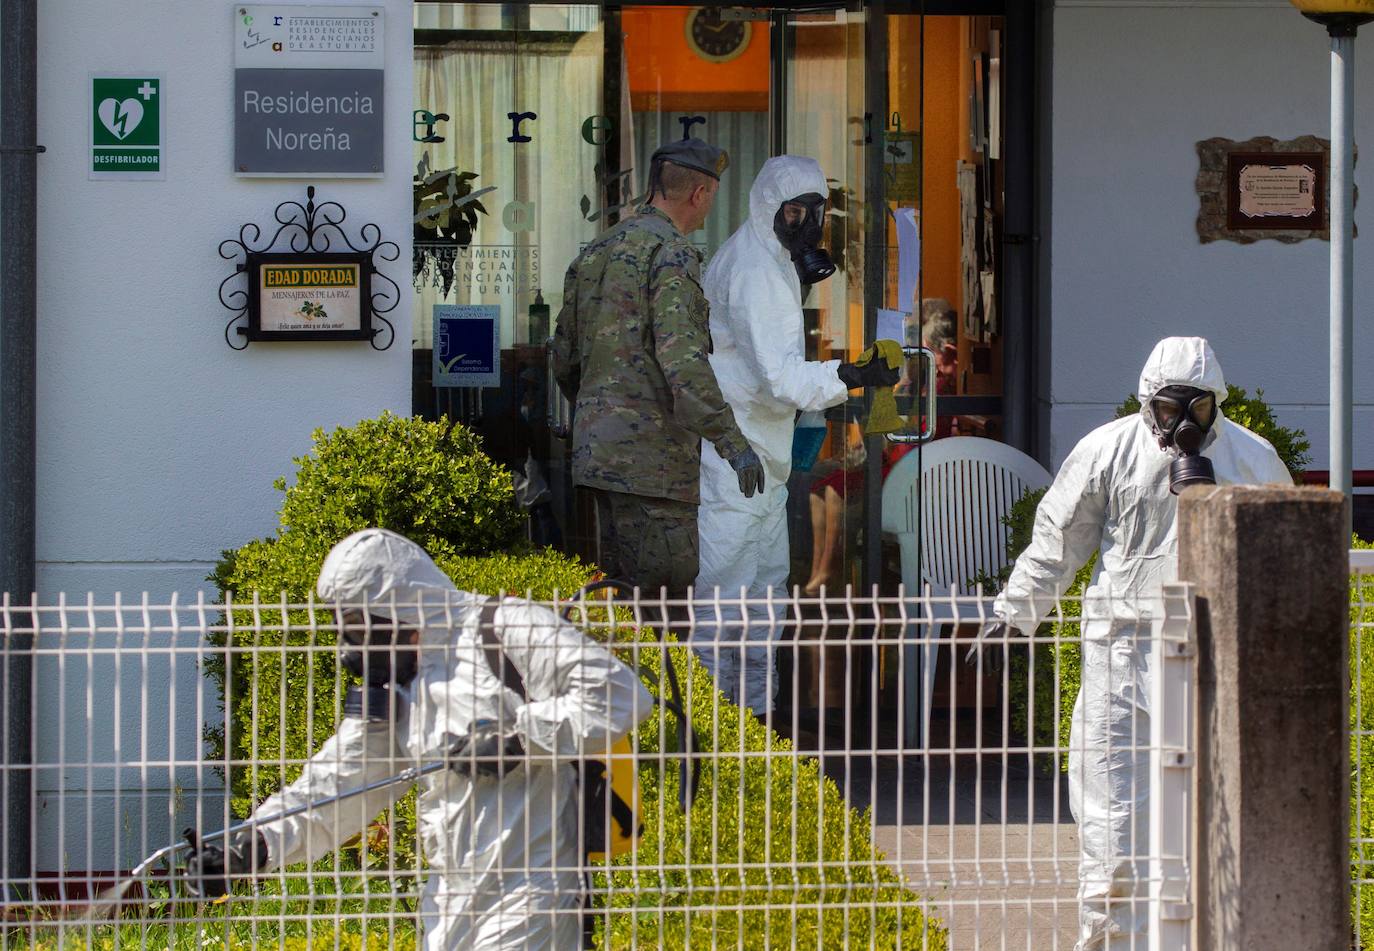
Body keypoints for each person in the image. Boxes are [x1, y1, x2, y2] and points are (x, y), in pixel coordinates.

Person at [186, 528, 653, 951]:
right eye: (344, 629)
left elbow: (621, 696)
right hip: (449, 896)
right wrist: (251, 846)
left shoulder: (508, 627)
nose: (351, 648)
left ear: (400, 606)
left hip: (535, 885)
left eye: (359, 627)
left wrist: (517, 741)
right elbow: (337, 787)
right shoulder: (399, 686)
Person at [971, 337, 1291, 950]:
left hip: (1215, 665)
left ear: (1215, 406)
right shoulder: (1108, 451)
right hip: (1120, 661)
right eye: (1170, 410)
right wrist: (1013, 615)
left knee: (1214, 831)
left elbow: (1280, 562)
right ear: (1148, 403)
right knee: (1113, 832)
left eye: (1196, 410)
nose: (1181, 424)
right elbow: (1057, 541)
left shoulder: (1253, 462)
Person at [691, 154, 900, 718]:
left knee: (762, 597)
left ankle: (753, 722)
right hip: (734, 455)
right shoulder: (757, 271)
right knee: (724, 602)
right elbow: (781, 380)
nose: (805, 225)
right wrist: (850, 375)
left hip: (760, 457)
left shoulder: (772, 258)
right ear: (768, 209)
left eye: (815, 213)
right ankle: (711, 733)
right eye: (793, 212)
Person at [551, 138, 763, 607]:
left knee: (617, 602)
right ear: (700, 194)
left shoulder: (596, 250)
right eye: (711, 196)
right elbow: (683, 363)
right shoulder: (671, 252)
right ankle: (653, 685)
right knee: (661, 609)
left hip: (597, 460)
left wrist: (598, 418)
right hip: (653, 467)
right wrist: (733, 443)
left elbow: (564, 356)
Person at [802, 298, 960, 594]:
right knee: (819, 488)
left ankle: (828, 568)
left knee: (836, 491)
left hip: (910, 470)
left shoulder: (935, 389)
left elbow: (907, 439)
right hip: (897, 461)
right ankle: (819, 567)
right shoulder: (914, 384)